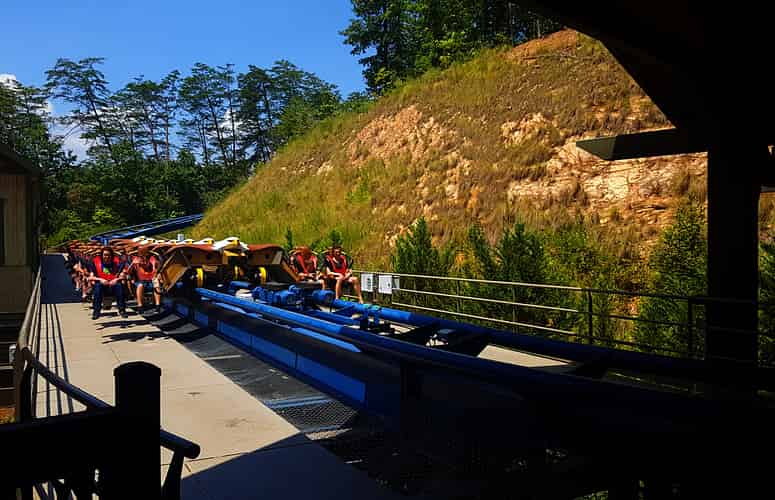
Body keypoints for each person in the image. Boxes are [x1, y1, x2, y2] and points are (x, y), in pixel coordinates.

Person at [89, 246, 127, 320]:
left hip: (113, 285)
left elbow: (124, 276)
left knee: (119, 285)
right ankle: (96, 311)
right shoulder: (96, 263)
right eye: (105, 255)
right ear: (102, 255)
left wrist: (116, 279)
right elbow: (90, 277)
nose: (107, 257)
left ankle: (122, 310)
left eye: (109, 255)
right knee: (98, 286)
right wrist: (100, 279)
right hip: (102, 286)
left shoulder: (117, 264)